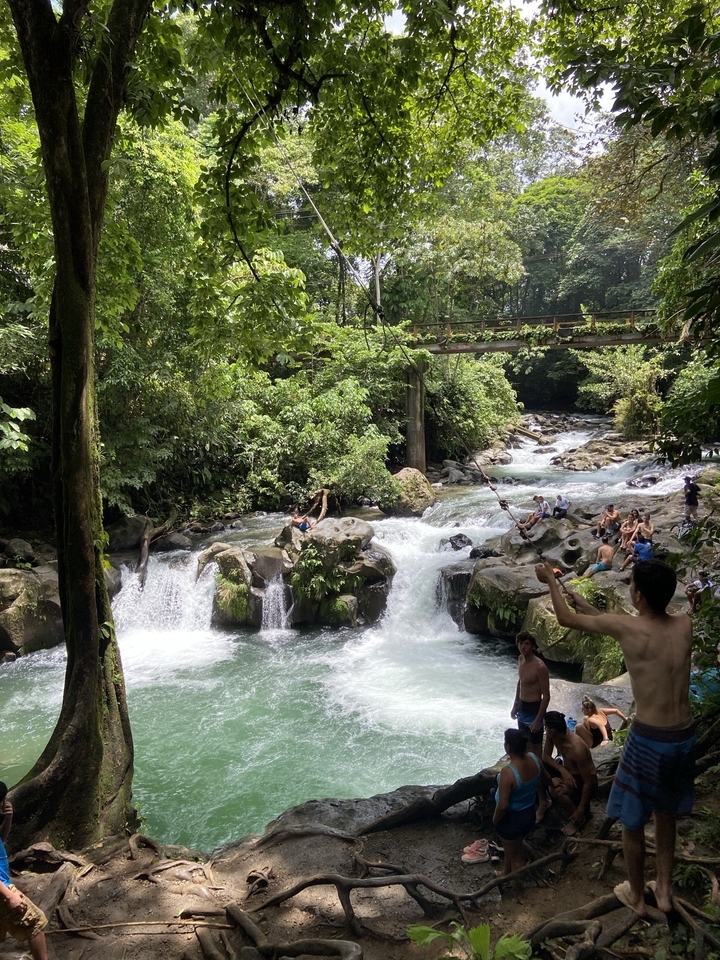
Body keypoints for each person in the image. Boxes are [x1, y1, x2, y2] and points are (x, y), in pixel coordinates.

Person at [535, 558, 695, 916]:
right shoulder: (684, 623)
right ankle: (665, 891)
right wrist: (585, 604)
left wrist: (549, 581)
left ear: (637, 594)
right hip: (683, 736)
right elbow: (620, 625)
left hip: (649, 739)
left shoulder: (629, 629)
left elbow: (565, 620)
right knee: (666, 813)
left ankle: (637, 897)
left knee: (633, 820)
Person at [0, 782, 49, 960]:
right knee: (35, 922)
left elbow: (0, 839)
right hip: (2, 889)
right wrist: (8, 895)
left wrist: (7, 819)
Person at [510, 631, 551, 822]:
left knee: (536, 757)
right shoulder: (521, 659)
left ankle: (544, 799)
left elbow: (546, 696)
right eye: (520, 643)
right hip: (522, 710)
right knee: (523, 754)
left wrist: (538, 720)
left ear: (533, 646)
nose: (522, 647)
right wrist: (515, 704)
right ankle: (530, 792)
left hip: (534, 711)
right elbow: (520, 683)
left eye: (526, 644)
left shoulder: (540, 667)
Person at [492, 728, 542, 875]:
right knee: (512, 849)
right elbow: (544, 778)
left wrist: (495, 820)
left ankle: (519, 892)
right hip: (529, 813)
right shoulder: (534, 758)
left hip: (511, 819)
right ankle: (505, 872)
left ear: (507, 747)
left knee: (517, 859)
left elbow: (503, 805)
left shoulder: (508, 772)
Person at [542, 711, 599, 836]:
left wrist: (581, 809)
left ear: (554, 729)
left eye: (547, 727)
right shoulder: (553, 736)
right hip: (567, 771)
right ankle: (545, 802)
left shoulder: (576, 747)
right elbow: (546, 756)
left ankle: (578, 818)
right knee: (540, 767)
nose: (545, 730)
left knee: (556, 791)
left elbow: (588, 781)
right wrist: (562, 770)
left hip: (585, 779)